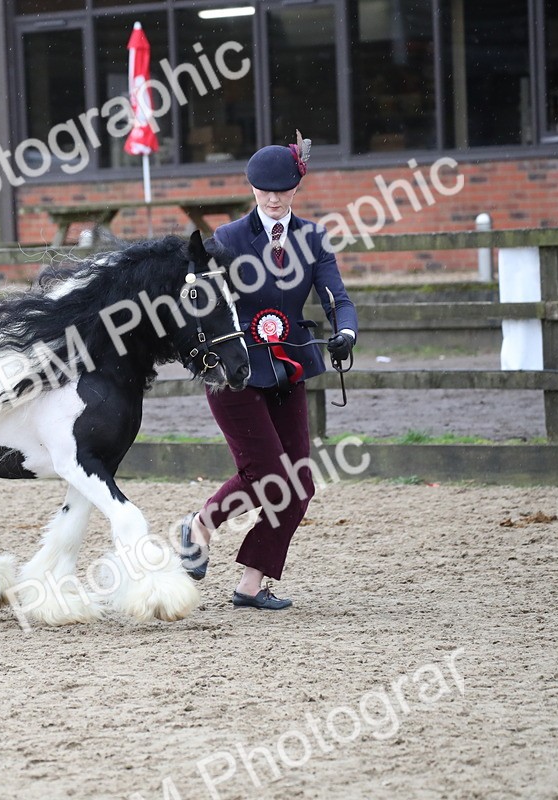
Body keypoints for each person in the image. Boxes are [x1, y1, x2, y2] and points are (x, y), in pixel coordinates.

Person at [179, 131, 358, 610]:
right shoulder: (229, 239)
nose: (274, 198)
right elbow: (204, 303)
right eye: (265, 190)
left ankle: (250, 586)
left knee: (298, 485)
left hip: (287, 367)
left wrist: (346, 332)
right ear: (253, 189)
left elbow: (336, 296)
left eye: (283, 190)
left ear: (297, 188)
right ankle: (200, 526)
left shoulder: (312, 238)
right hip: (235, 370)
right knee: (266, 472)